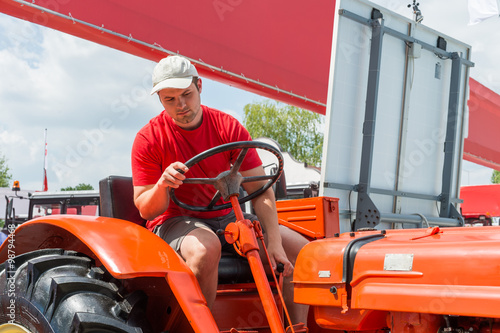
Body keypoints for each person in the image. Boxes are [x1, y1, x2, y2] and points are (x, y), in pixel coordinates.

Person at [131, 55, 308, 325]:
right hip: (174, 220)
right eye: (170, 100)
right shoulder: (148, 139)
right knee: (205, 249)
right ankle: (196, 328)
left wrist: (274, 242)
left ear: (199, 86)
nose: (181, 106)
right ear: (160, 100)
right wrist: (163, 185)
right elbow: (146, 208)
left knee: (302, 250)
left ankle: (297, 328)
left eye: (187, 95)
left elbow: (260, 190)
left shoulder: (228, 127)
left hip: (226, 218)